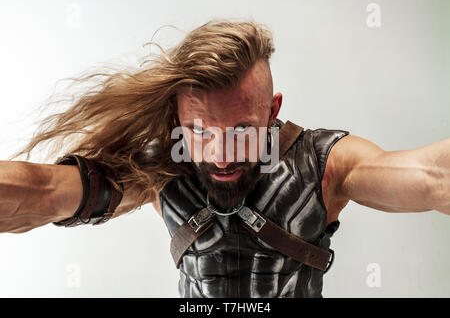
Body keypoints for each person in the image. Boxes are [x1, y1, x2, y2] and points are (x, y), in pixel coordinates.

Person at [0, 19, 448, 298]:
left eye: (241, 132)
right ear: (177, 116)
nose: (219, 155)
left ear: (272, 110)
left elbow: (431, 177)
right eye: (198, 132)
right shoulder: (161, 169)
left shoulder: (325, 164)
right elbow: (40, 192)